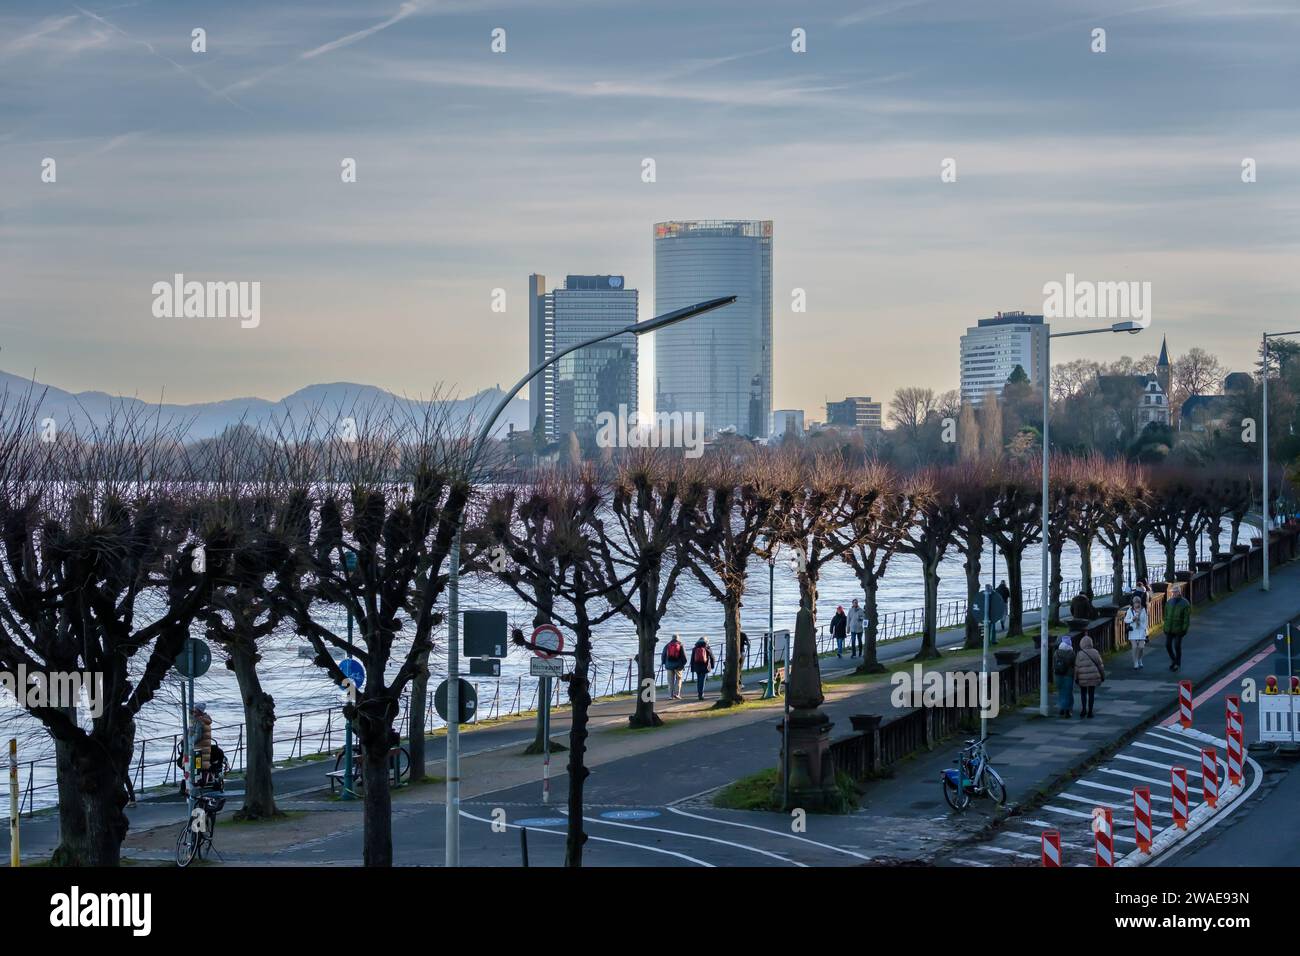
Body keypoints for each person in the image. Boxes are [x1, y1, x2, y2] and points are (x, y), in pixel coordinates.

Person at [1073, 634, 1105, 719]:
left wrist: (1076, 678)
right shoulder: (1095, 652)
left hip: (1082, 677)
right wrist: (1102, 676)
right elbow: (1100, 665)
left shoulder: (1080, 654)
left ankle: (1083, 710)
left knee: (1083, 693)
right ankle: (1090, 711)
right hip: (1093, 676)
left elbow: (1076, 667)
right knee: (1091, 694)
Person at [1163, 585, 1191, 672]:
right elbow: (1166, 615)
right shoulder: (1169, 602)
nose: (1174, 593)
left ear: (1179, 592)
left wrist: (1184, 629)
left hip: (1179, 629)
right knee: (1167, 645)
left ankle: (1177, 663)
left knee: (1177, 646)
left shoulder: (1185, 603)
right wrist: (1165, 626)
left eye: (1175, 592)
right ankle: (1174, 660)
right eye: (1173, 592)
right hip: (1169, 628)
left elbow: (1186, 618)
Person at [1054, 634, 1076, 717]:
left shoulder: (1056, 653)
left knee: (1061, 692)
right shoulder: (1071, 653)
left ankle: (1062, 708)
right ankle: (1068, 709)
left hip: (1058, 675)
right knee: (1068, 692)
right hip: (1068, 676)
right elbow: (1074, 664)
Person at [1124, 594, 1149, 669]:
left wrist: (1144, 628)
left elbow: (1146, 621)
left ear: (1140, 603)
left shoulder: (1143, 610)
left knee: (1141, 647)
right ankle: (1135, 662)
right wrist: (1132, 619)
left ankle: (1140, 659)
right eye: (1135, 603)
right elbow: (1125, 620)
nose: (1136, 604)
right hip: (1133, 631)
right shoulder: (1130, 610)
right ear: (1133, 603)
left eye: (1138, 603)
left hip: (1141, 631)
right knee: (1134, 647)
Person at [661, 633, 688, 699]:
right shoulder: (680, 645)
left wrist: (664, 663)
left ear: (672, 638)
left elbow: (663, 655)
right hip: (678, 666)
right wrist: (683, 664)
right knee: (678, 679)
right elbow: (684, 657)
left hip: (669, 666)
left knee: (670, 681)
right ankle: (677, 694)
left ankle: (670, 695)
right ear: (678, 638)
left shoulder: (667, 645)